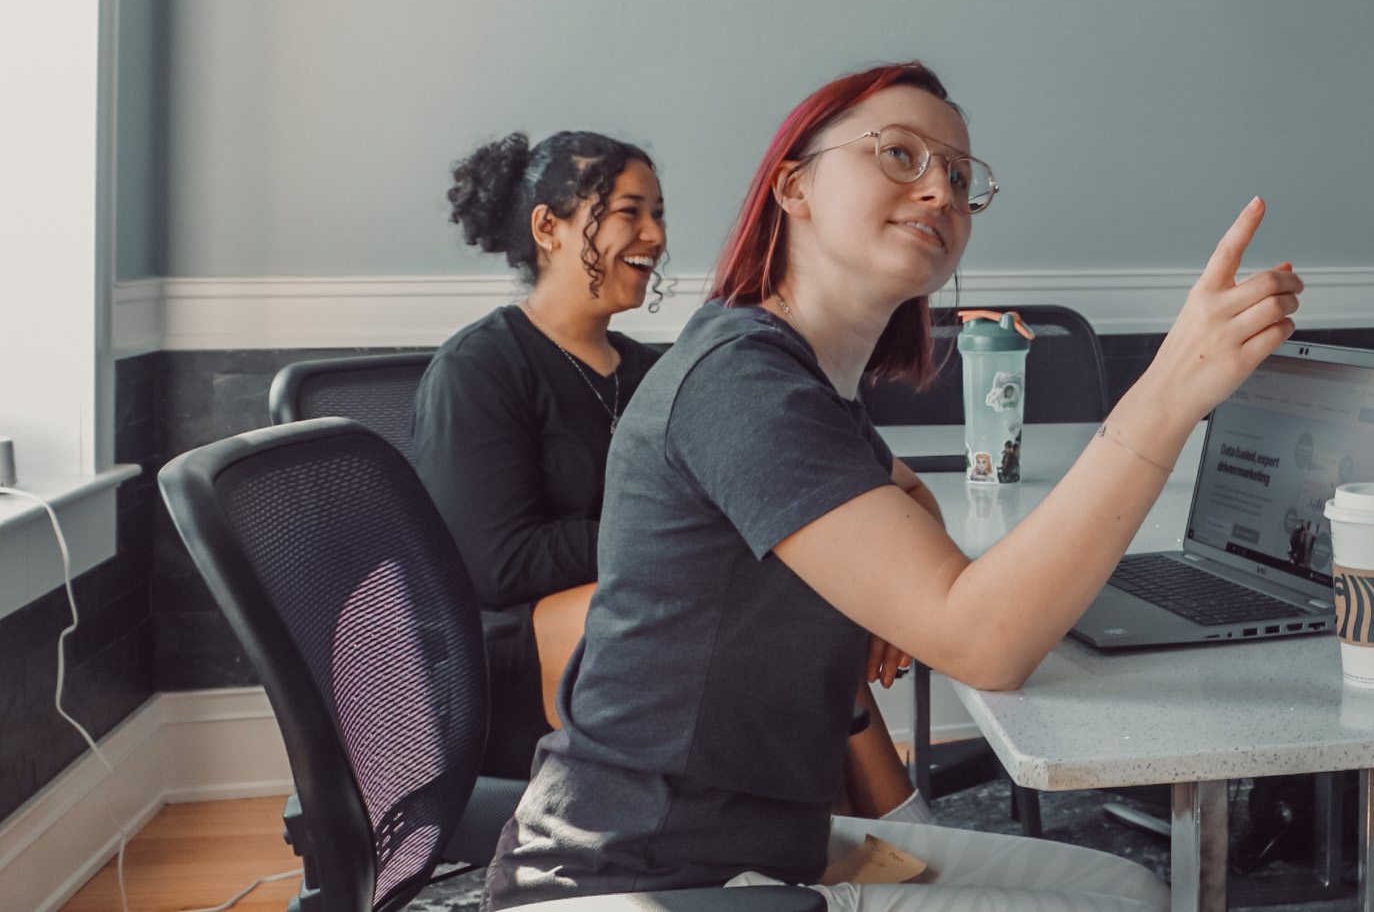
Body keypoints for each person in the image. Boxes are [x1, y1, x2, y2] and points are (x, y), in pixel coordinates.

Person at [485, 61, 1304, 910]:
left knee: (1126, 887)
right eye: (899, 155)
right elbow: (985, 643)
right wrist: (1168, 393)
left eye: (957, 176)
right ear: (793, 188)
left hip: (753, 842)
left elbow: (901, 498)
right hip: (638, 872)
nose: (939, 191)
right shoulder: (742, 382)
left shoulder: (802, 381)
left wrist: (900, 558)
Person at [416, 130, 668, 778]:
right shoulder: (478, 368)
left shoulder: (654, 374)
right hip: (506, 666)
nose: (655, 236)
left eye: (658, 215)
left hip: (628, 619)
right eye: (628, 212)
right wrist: (670, 538)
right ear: (549, 229)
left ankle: (873, 827)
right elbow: (501, 563)